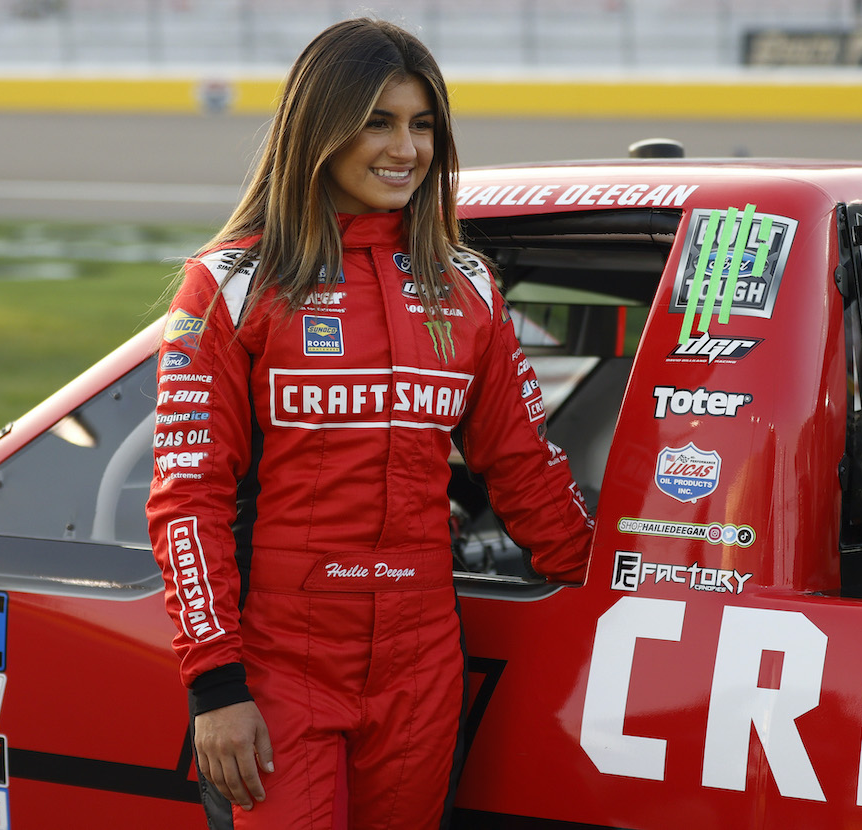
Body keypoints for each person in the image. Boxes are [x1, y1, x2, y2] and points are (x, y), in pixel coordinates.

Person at [146, 17, 594, 829]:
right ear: (319, 129)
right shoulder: (231, 285)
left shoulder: (469, 288)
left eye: (423, 126)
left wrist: (617, 573)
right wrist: (216, 685)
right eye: (378, 122)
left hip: (423, 660)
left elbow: (523, 466)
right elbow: (189, 499)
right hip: (280, 662)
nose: (406, 150)